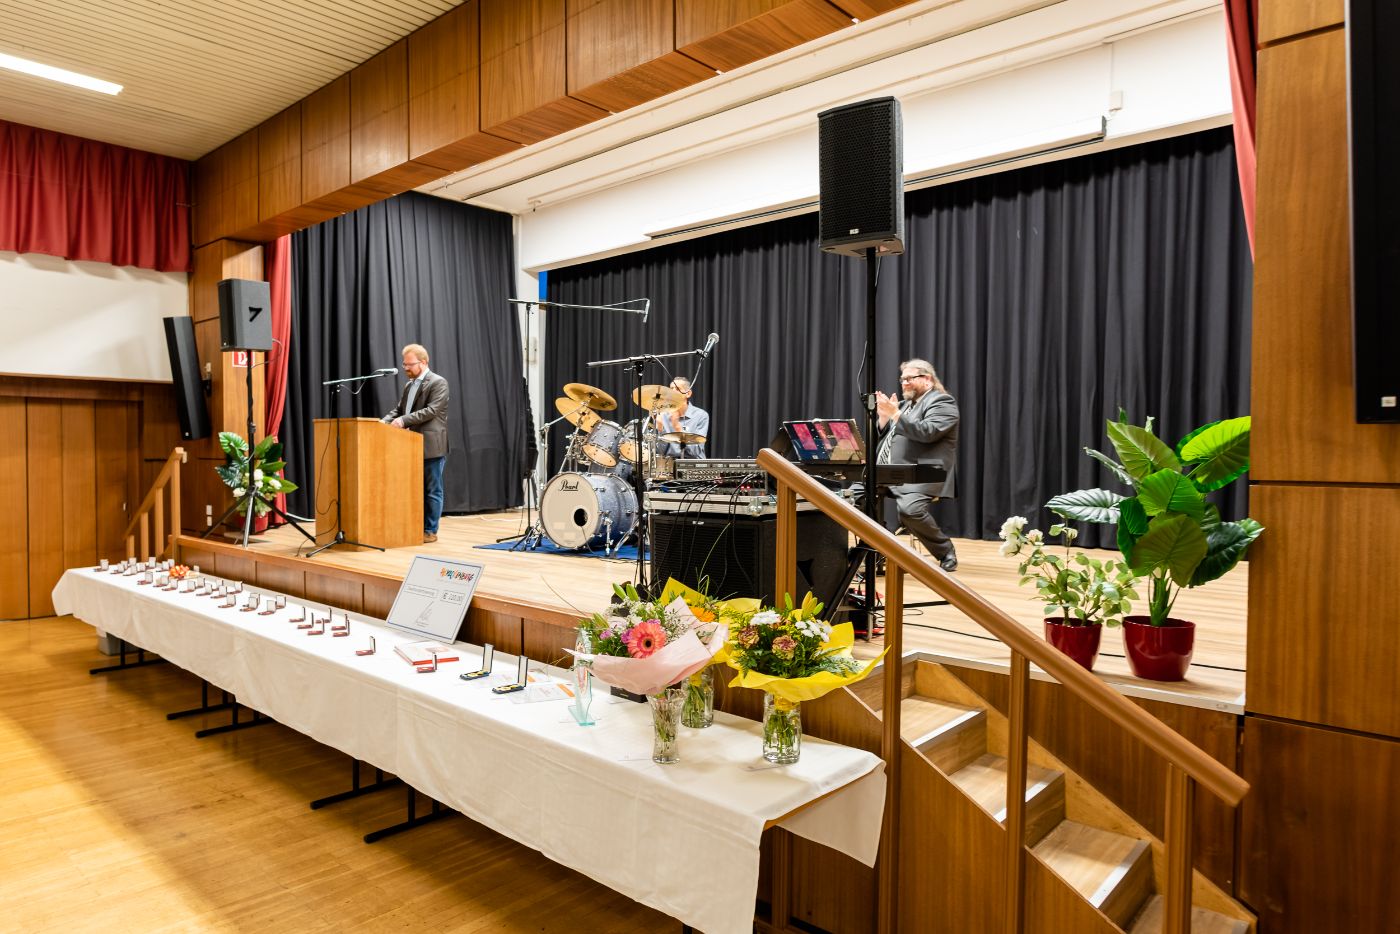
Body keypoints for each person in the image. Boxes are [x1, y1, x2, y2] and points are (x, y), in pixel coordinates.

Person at [873, 358, 960, 571]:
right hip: (890, 472)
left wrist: (895, 414)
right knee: (854, 497)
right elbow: (886, 437)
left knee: (910, 510)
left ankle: (945, 551)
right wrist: (883, 418)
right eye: (902, 379)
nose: (904, 383)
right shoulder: (904, 406)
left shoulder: (942, 402)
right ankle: (878, 548)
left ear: (927, 379)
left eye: (909, 378)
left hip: (923, 473)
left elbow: (927, 432)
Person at [382, 343, 450, 543]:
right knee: (412, 489)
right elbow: (399, 409)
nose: (405, 368)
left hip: (431, 446)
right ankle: (413, 527)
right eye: (404, 364)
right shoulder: (409, 385)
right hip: (409, 446)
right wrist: (384, 422)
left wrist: (403, 421)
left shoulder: (438, 383)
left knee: (432, 490)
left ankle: (430, 530)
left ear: (423, 362)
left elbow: (431, 410)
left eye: (409, 364)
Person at [654, 376, 709, 459]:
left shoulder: (700, 415)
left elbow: (696, 451)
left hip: (693, 463)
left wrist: (678, 429)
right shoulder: (663, 415)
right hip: (670, 463)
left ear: (688, 393)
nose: (673, 391)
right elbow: (660, 452)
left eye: (677, 389)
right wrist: (660, 429)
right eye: (671, 388)